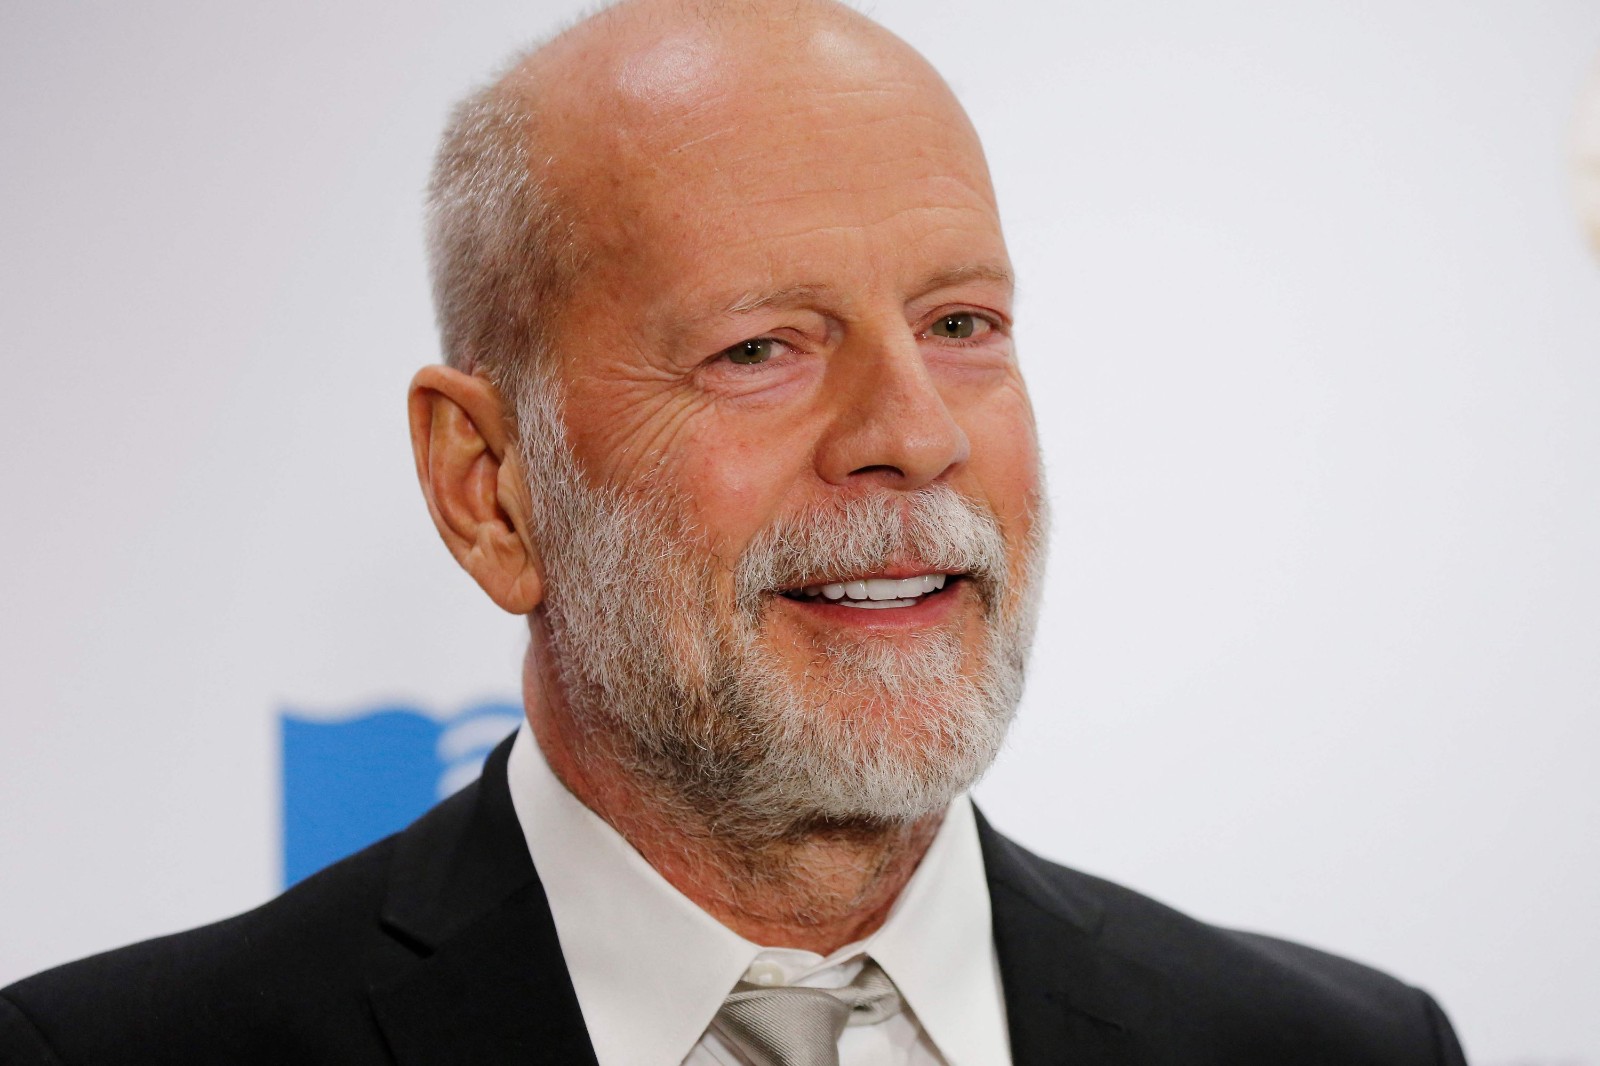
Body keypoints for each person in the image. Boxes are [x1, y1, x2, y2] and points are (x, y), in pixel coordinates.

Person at [0, 1, 1468, 1063]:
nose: (915, 432)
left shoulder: (1338, 1048)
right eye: (760, 347)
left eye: (962, 324)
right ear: (489, 487)